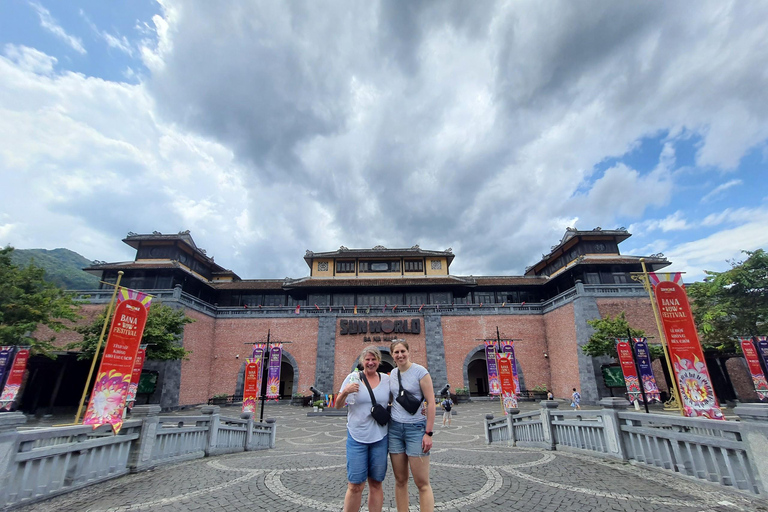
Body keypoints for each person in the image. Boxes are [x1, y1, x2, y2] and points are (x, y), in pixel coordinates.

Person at [336, 346, 391, 512]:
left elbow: (400, 399)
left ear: (379, 361)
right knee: (355, 485)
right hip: (357, 437)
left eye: (374, 359)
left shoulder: (387, 380)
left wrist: (421, 409)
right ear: (362, 361)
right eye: (367, 359)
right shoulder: (352, 378)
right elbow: (338, 405)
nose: (371, 362)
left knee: (376, 483)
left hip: (380, 437)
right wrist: (345, 391)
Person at [389, 340, 435, 512]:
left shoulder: (420, 372)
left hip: (416, 429)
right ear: (392, 355)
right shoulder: (392, 374)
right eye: (396, 352)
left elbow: (431, 403)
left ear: (408, 352)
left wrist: (428, 433)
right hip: (394, 430)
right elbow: (389, 398)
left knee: (422, 482)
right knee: (400, 480)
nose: (400, 355)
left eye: (402, 351)